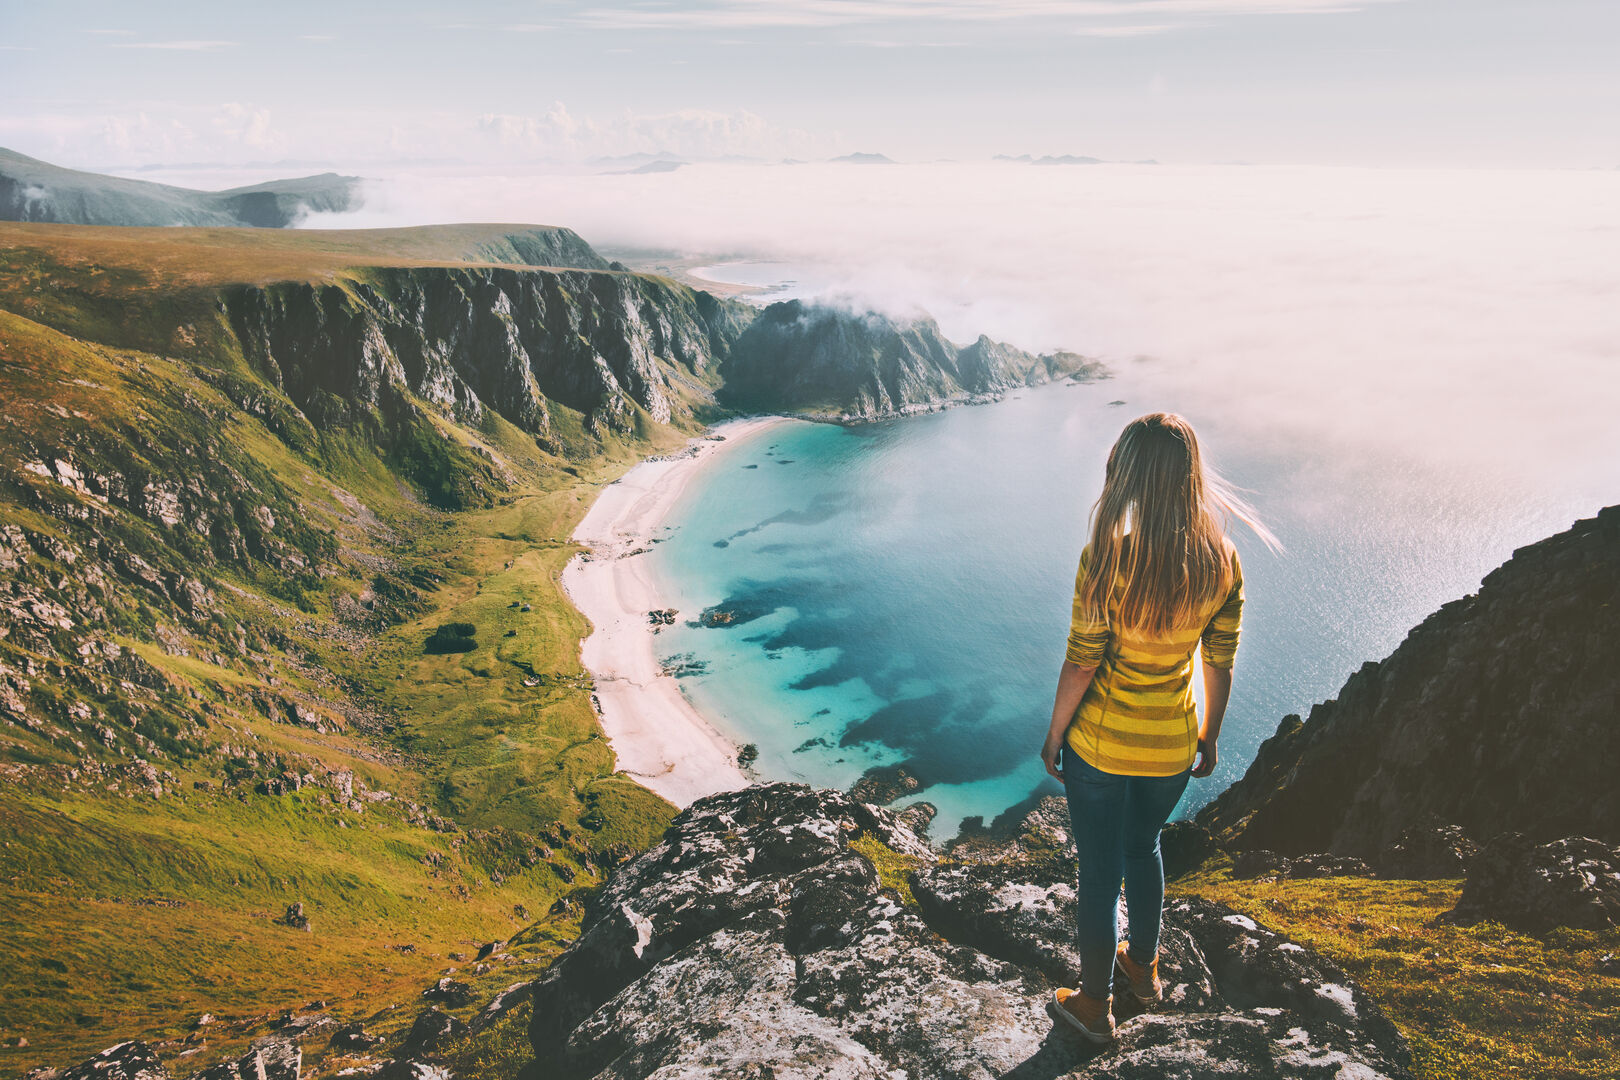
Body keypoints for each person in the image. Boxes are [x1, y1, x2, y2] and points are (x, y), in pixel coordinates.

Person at [1040, 412, 1276, 1043]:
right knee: (1143, 848)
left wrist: (1054, 733)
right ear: (1190, 477)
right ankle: (1142, 970)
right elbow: (1217, 661)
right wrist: (1210, 737)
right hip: (1172, 746)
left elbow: (1083, 658)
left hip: (1101, 744)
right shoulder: (1222, 560)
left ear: (1131, 477)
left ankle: (1093, 1007)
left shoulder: (1107, 557)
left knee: (1098, 873)